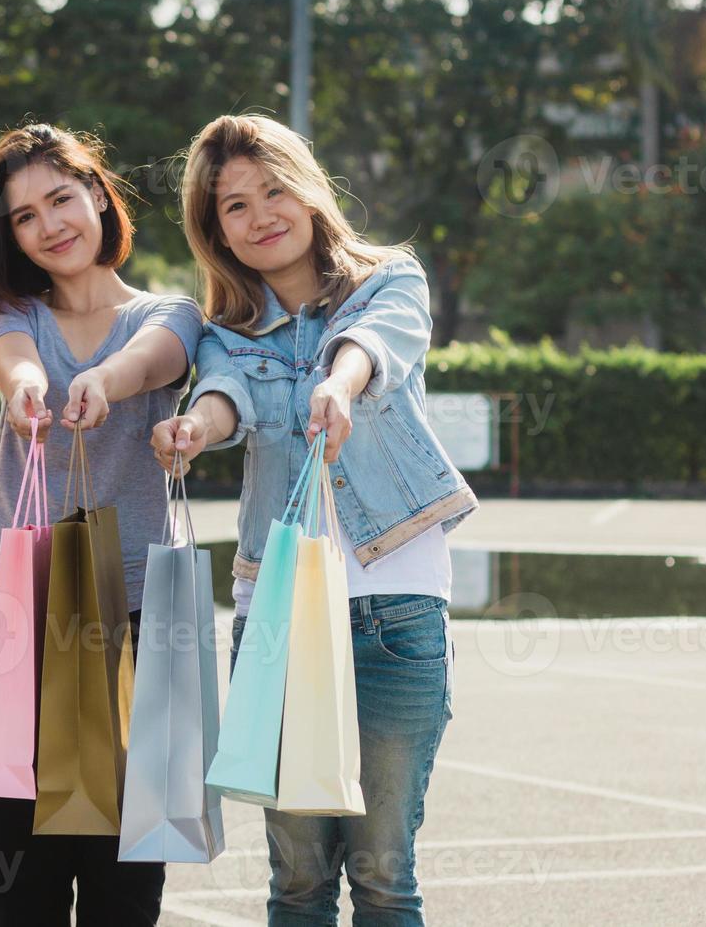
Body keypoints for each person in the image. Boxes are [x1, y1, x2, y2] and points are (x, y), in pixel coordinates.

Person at [152, 113, 477, 926]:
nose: (260, 214)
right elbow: (223, 398)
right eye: (234, 206)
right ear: (215, 231)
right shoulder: (228, 331)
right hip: (277, 617)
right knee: (297, 882)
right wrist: (195, 431)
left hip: (398, 609)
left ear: (307, 189)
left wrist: (339, 380)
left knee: (383, 876)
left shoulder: (391, 281)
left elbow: (375, 344)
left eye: (272, 190)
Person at [0, 123, 203, 926]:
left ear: (98, 193)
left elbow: (156, 360)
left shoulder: (171, 312)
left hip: (132, 618)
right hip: (11, 613)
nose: (50, 225)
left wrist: (104, 380)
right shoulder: (11, 310)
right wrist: (28, 387)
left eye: (61, 198)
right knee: (22, 886)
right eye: (25, 217)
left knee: (125, 886)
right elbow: (12, 360)